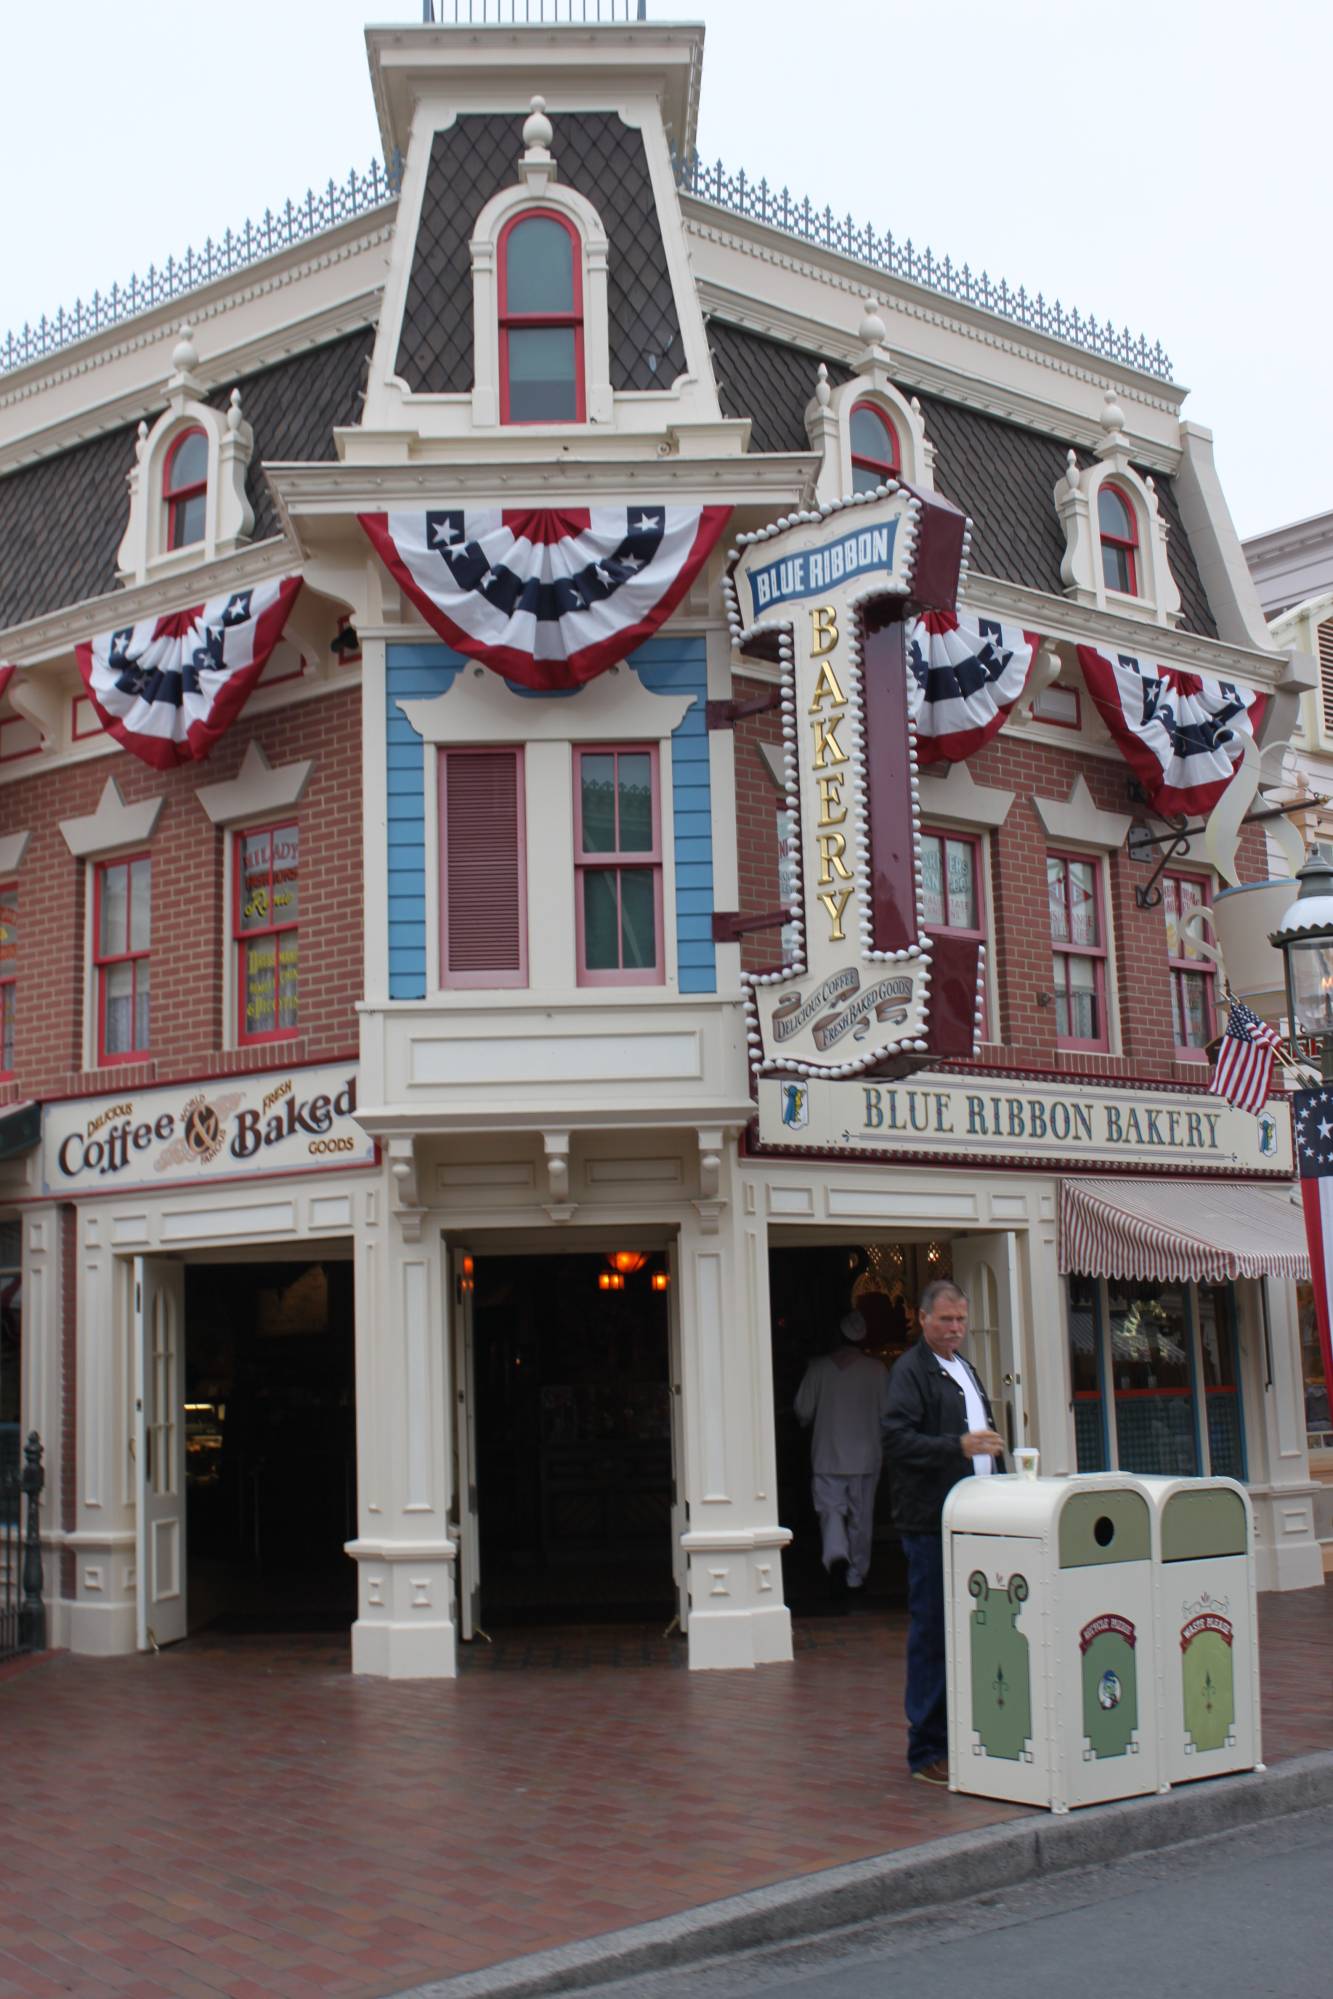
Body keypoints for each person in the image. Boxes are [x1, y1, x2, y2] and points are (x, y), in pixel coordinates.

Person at [883, 1279, 1006, 1785]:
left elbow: (980, 1436)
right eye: (946, 1320)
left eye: (961, 1320)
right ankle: (926, 1748)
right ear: (922, 1318)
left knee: (975, 1628)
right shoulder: (910, 1371)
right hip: (932, 1522)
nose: (956, 1329)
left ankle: (965, 1733)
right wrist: (957, 1446)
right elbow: (896, 1439)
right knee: (933, 1632)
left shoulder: (964, 1367)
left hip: (976, 1519)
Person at [794, 1309, 892, 1602]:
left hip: (827, 1454)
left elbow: (802, 1410)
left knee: (831, 1512)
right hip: (865, 1455)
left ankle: (836, 1556)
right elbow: (888, 1414)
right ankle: (855, 1574)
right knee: (861, 1518)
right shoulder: (877, 1370)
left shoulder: (818, 1368)